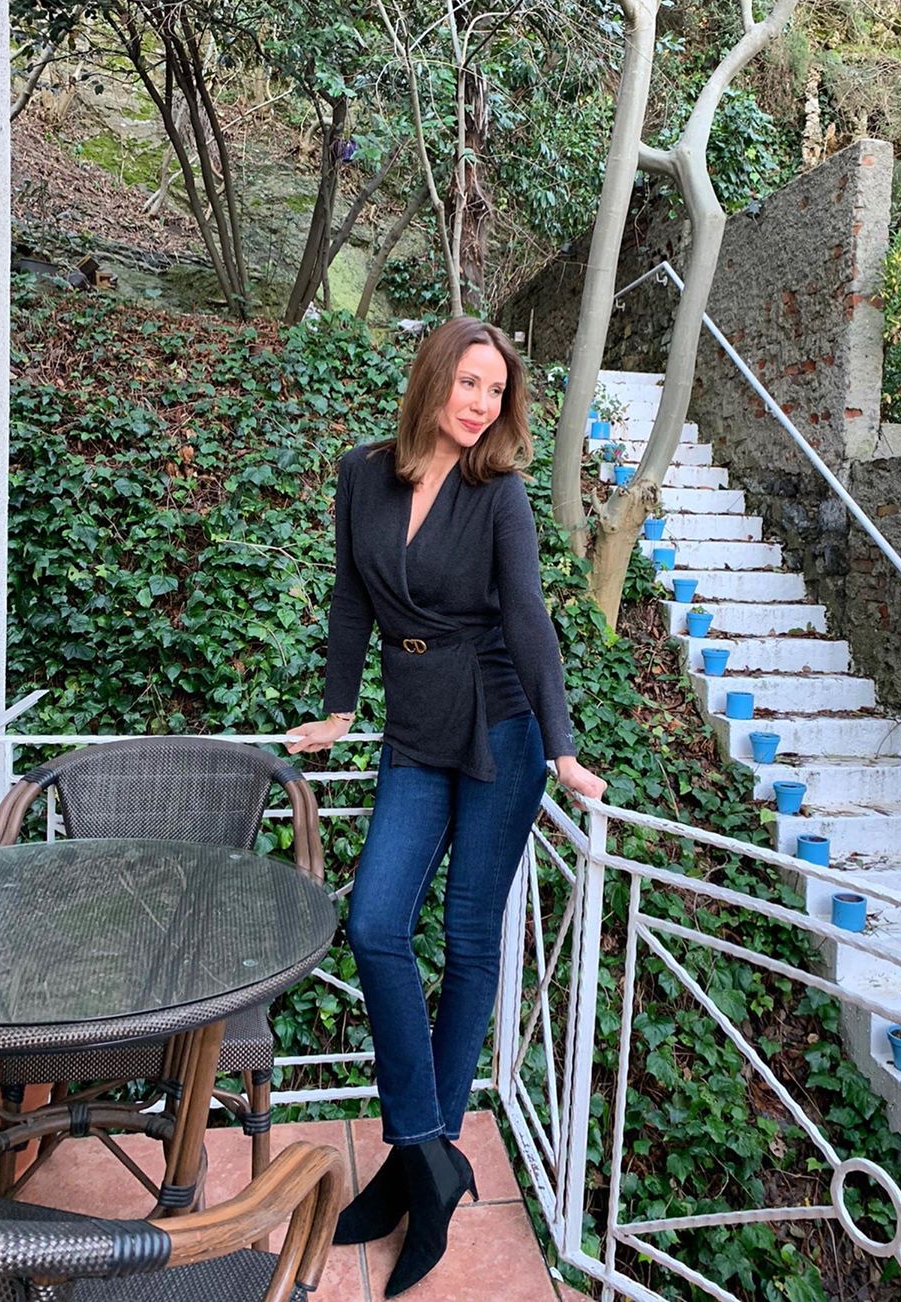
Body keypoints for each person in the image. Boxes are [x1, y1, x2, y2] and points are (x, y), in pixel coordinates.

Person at [286, 316, 606, 1297]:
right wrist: (340, 709)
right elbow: (351, 599)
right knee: (375, 922)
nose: (481, 404)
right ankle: (429, 1156)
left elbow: (528, 618)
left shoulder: (497, 492)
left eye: (495, 391)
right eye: (469, 383)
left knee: (470, 939)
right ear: (433, 379)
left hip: (503, 724)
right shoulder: (363, 474)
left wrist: (561, 747)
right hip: (416, 725)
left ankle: (416, 1167)